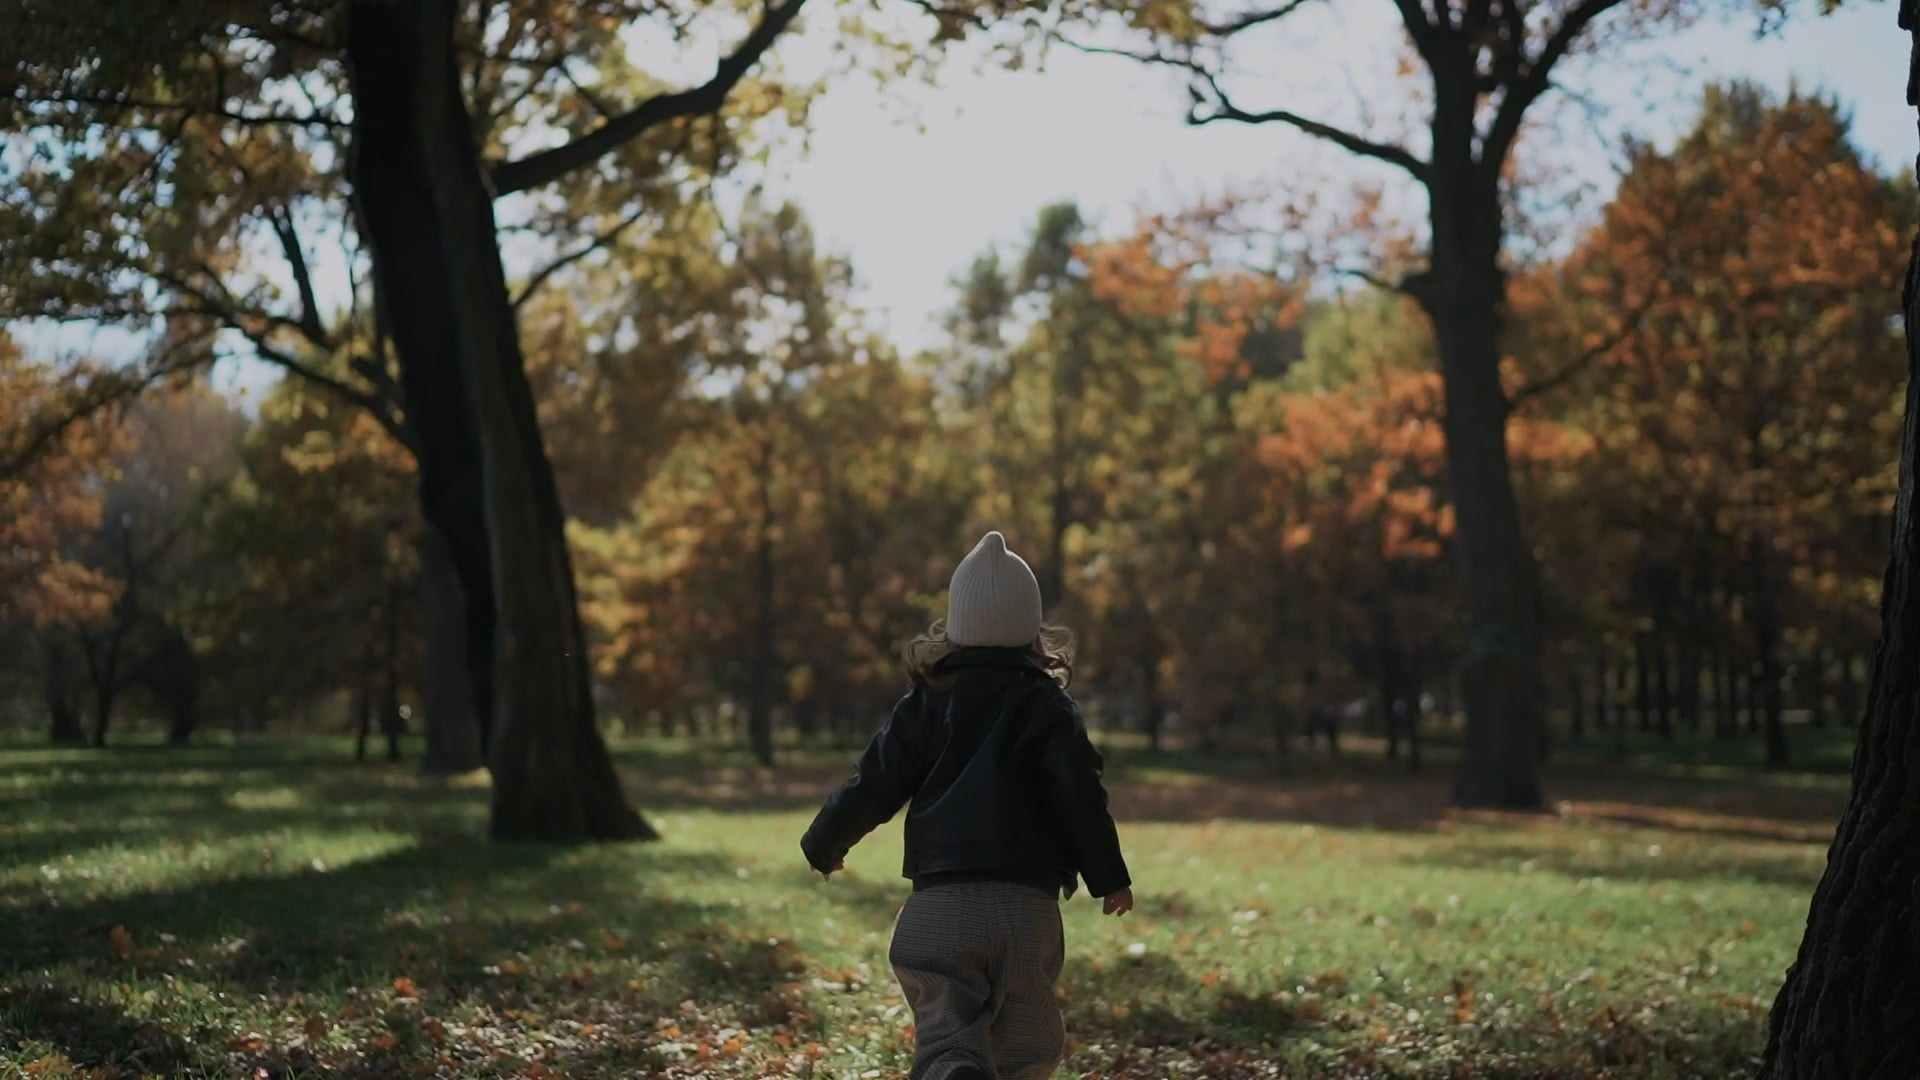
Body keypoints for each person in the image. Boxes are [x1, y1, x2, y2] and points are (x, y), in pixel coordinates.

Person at [800, 530, 1134, 1080]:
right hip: (1027, 909)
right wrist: (1108, 876)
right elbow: (1080, 794)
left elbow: (877, 778)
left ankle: (952, 1067)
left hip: (940, 908)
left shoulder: (926, 702)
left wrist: (826, 839)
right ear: (1031, 629)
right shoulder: (1050, 705)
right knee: (1026, 1041)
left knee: (947, 1032)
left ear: (956, 626)